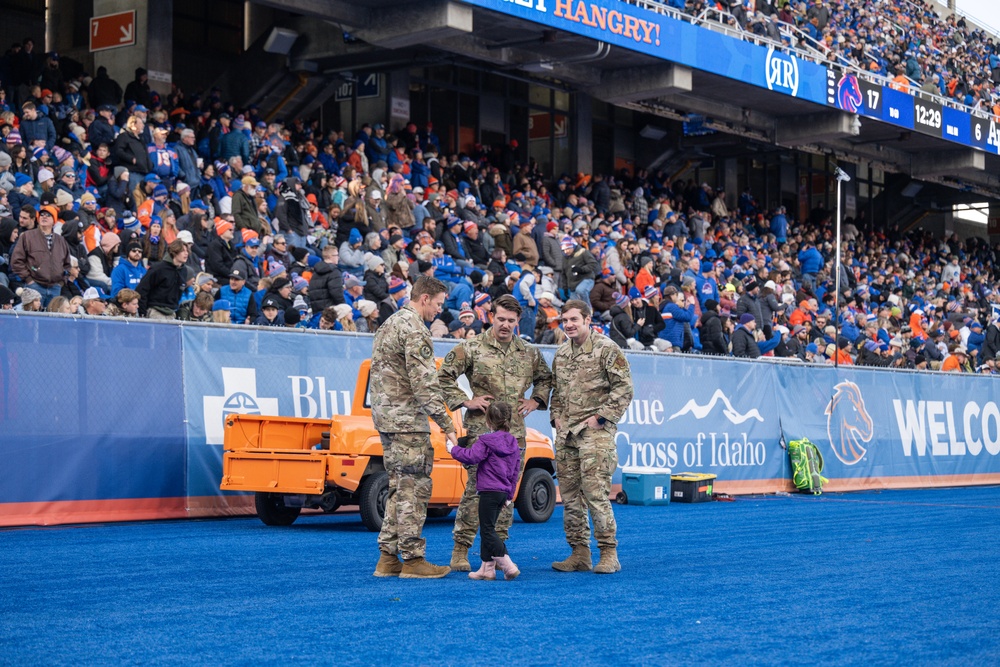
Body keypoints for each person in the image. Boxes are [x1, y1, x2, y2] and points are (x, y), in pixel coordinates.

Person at [438, 294, 553, 572]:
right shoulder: (472, 347)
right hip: (482, 433)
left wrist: (535, 400)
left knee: (506, 492)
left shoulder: (528, 352)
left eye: (511, 321)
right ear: (491, 316)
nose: (505, 325)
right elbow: (443, 376)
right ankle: (460, 550)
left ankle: (496, 553)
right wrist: (466, 401)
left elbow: (546, 378)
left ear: (517, 321)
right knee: (476, 490)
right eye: (500, 318)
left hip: (514, 436)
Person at [371, 275, 458, 579]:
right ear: (424, 299)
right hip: (407, 421)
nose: (439, 310)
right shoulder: (415, 329)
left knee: (397, 487)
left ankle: (388, 558)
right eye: (438, 303)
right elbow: (424, 384)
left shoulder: (389, 324)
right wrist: (447, 424)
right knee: (414, 489)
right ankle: (412, 559)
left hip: (385, 417)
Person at [549, 299, 633, 574]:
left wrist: (600, 418)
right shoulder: (561, 354)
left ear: (588, 319)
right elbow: (556, 394)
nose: (569, 325)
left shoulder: (607, 349)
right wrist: (556, 418)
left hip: (595, 435)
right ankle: (579, 553)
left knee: (596, 495)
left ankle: (609, 553)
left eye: (574, 319)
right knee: (571, 498)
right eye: (565, 320)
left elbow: (624, 389)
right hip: (567, 437)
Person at [446, 401, 522, 581]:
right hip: (502, 492)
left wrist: (453, 449)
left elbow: (472, 457)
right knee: (489, 528)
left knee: (487, 530)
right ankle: (486, 568)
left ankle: (507, 563)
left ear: (488, 422)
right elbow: (515, 470)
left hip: (488, 491)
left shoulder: (485, 441)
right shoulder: (513, 442)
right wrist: (510, 495)